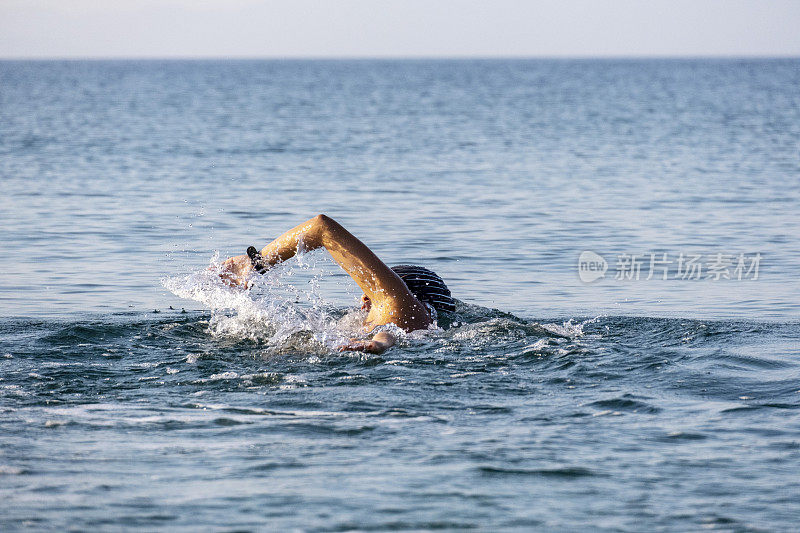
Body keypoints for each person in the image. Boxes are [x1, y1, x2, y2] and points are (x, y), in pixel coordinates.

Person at [218, 214, 455, 354]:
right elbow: (391, 333)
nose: (363, 298)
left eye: (367, 291)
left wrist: (254, 263)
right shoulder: (424, 327)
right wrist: (378, 343)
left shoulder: (399, 305)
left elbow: (322, 227)